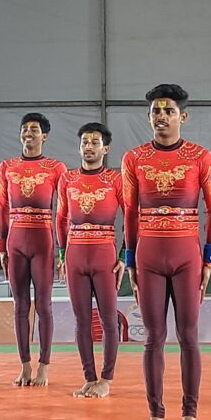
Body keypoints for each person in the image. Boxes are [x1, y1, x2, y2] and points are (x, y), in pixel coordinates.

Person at [122, 84, 211, 420]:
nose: (161, 117)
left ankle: (190, 415)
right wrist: (130, 261)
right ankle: (156, 415)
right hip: (148, 256)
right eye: (155, 112)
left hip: (187, 257)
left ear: (183, 116)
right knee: (153, 337)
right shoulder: (133, 159)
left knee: (189, 336)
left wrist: (209, 261)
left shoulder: (202, 158)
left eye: (168, 111)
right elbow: (129, 212)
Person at [0, 112, 67, 386]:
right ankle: (25, 365)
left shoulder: (56, 168)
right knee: (20, 306)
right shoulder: (7, 167)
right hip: (15, 242)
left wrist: (62, 251)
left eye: (34, 129)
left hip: (43, 241)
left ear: (44, 136)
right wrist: (2, 246)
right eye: (24, 129)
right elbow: (2, 208)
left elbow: (63, 212)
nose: (28, 133)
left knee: (44, 305)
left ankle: (44, 367)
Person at [56, 122, 124, 399]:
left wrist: (124, 256)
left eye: (95, 142)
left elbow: (131, 219)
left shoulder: (115, 179)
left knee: (108, 320)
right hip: (75, 255)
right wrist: (62, 255)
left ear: (105, 149)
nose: (89, 147)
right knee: (81, 320)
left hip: (104, 255)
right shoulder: (67, 179)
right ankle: (89, 377)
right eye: (85, 142)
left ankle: (106, 379)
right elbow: (61, 218)